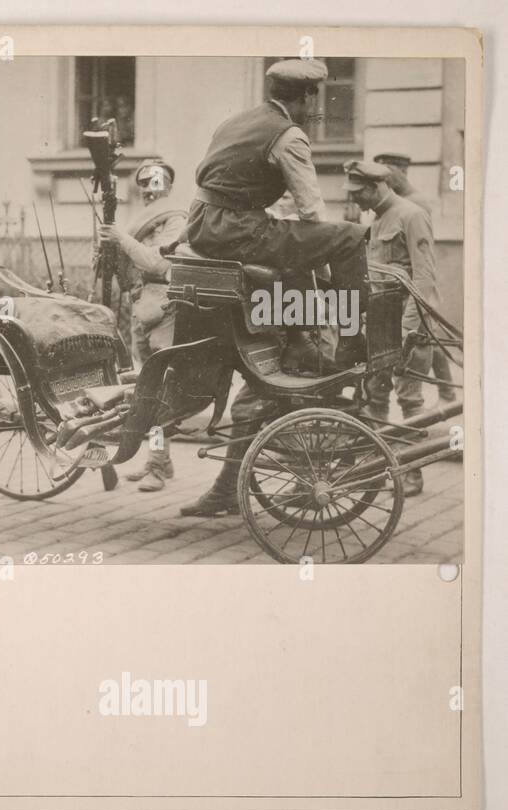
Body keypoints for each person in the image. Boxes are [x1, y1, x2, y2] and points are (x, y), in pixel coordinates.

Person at [179, 58, 370, 517]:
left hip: (207, 223)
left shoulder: (239, 121)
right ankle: (352, 337)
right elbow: (310, 210)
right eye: (313, 99)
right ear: (306, 97)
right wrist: (328, 266)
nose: (314, 106)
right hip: (233, 229)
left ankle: (304, 333)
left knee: (295, 246)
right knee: (346, 236)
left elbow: (217, 180)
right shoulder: (289, 136)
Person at [345, 160, 440, 496]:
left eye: (360, 194)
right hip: (381, 323)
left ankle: (413, 474)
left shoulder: (411, 215)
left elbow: (424, 276)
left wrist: (409, 328)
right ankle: (379, 472)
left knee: (410, 399)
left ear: (377, 186)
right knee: (376, 396)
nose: (356, 201)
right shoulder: (376, 218)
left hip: (407, 322)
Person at [99, 157, 186, 491]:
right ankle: (158, 460)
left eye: (156, 183)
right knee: (147, 389)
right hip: (142, 306)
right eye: (144, 185)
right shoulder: (142, 221)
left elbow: (157, 260)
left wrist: (121, 238)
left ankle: (157, 466)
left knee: (159, 390)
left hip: (166, 306)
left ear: (168, 186)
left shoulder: (175, 220)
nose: (150, 192)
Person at [374, 151, 455, 403]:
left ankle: (447, 393)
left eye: (388, 174)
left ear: (401, 172)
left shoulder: (415, 203)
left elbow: (420, 254)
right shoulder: (394, 202)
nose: (384, 182)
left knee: (426, 339)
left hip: (417, 281)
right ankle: (448, 393)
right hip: (408, 282)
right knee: (430, 336)